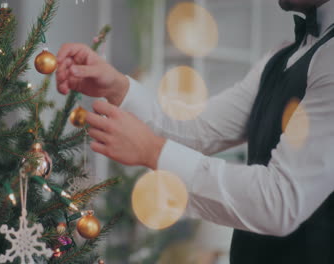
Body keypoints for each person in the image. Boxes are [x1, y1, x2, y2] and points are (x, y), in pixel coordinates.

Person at [56, 0, 334, 263]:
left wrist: (152, 151)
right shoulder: (281, 55)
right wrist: (118, 88)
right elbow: (200, 128)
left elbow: (280, 200)